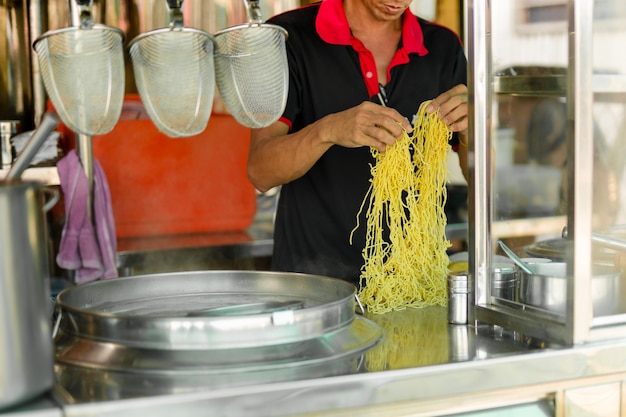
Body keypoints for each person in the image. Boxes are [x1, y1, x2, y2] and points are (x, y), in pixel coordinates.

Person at [247, 0, 469, 286]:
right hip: (314, 282)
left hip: (413, 282)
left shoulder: (442, 47)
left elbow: (479, 178)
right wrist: (327, 130)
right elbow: (260, 171)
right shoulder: (289, 37)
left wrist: (470, 132)